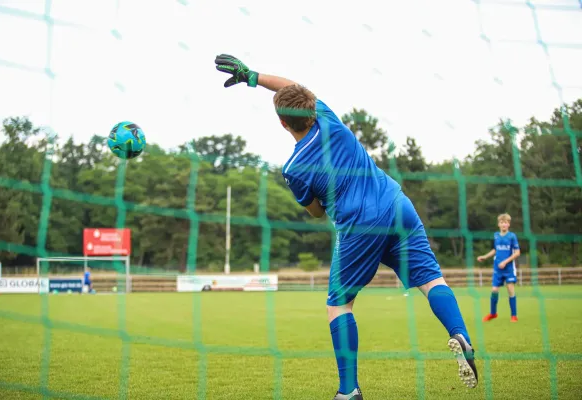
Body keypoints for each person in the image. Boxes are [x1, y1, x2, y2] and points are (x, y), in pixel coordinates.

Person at [214, 54, 478, 399]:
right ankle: (460, 334)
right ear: (311, 107)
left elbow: (316, 213)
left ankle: (348, 390)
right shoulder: (329, 120)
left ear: (282, 124)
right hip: (397, 204)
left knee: (339, 304)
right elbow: (292, 88)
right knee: (431, 280)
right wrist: (253, 77)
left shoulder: (293, 169)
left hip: (359, 226)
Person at [477, 213, 521, 322]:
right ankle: (493, 313)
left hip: (509, 268)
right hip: (497, 268)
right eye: (502, 222)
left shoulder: (512, 236)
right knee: (494, 290)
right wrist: (485, 257)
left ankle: (514, 315)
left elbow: (517, 252)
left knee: (510, 289)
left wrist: (505, 262)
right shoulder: (496, 235)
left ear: (509, 224)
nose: (504, 224)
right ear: (498, 224)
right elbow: (495, 250)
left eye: (506, 222)